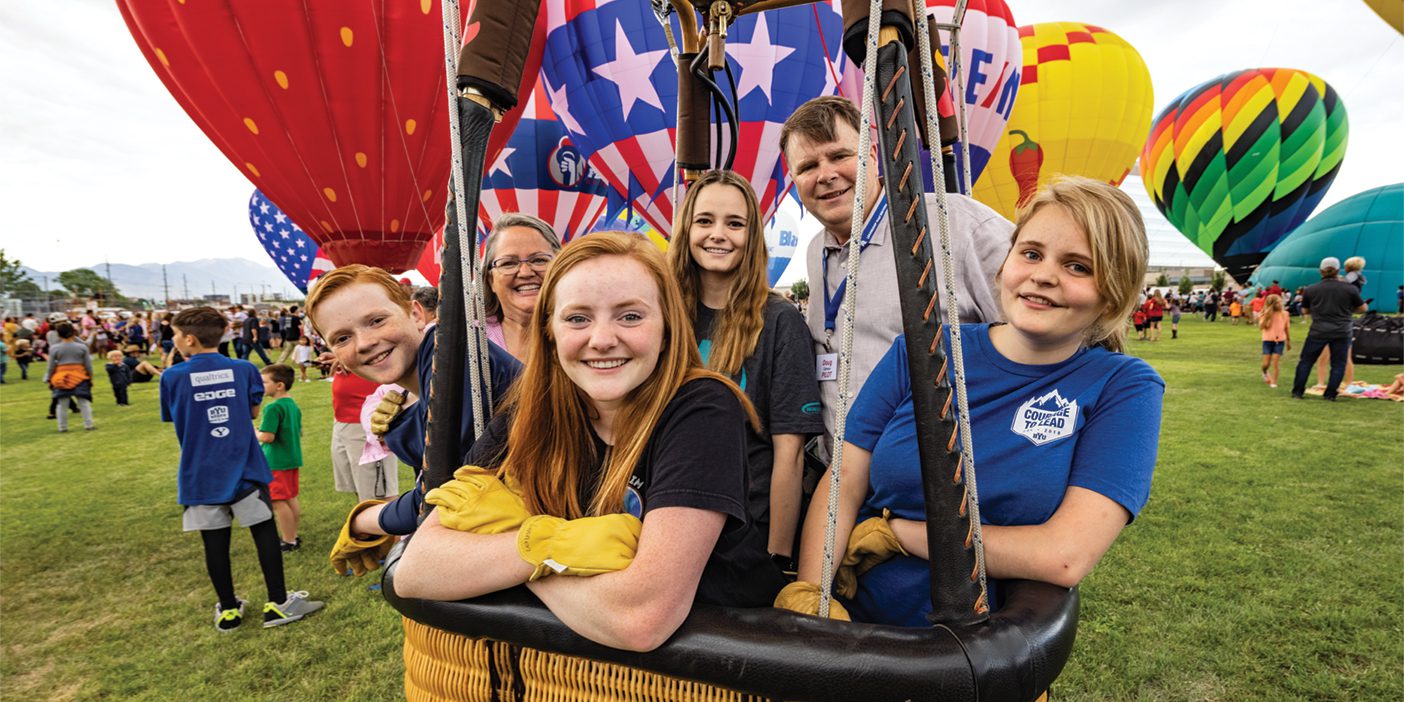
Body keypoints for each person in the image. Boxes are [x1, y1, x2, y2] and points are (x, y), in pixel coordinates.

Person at [776, 177, 1162, 626]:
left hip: (983, 650)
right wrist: (814, 596)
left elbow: (1064, 555)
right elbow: (844, 476)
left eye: (1078, 266)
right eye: (1031, 253)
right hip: (858, 623)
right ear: (1006, 262)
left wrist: (900, 533)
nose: (1043, 275)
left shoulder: (1123, 387)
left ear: (1114, 291)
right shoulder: (920, 351)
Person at [393, 232, 785, 652]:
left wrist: (517, 556)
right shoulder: (530, 409)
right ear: (550, 331)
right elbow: (417, 568)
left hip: (715, 668)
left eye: (630, 316)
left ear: (669, 326)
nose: (601, 339)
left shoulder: (703, 406)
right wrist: (544, 545)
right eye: (578, 318)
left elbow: (640, 619)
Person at [781, 95, 1010, 455]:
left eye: (840, 156)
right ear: (792, 179)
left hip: (941, 481)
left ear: (872, 153)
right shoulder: (816, 251)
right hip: (841, 481)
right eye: (808, 166)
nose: (826, 175)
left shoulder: (954, 226)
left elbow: (1037, 340)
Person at [305, 264, 521, 570]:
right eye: (341, 339)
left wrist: (366, 519)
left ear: (417, 314)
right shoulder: (407, 404)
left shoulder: (447, 351)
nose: (364, 342)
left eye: (376, 321)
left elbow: (442, 492)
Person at [669, 170, 826, 565]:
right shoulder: (663, 314)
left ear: (752, 236)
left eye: (734, 223)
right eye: (704, 221)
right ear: (686, 229)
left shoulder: (779, 320)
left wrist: (776, 556)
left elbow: (788, 454)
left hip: (741, 536)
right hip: (664, 519)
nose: (718, 234)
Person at [159, 307, 323, 629]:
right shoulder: (244, 369)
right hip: (245, 467)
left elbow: (174, 417)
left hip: (200, 472)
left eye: (176, 335)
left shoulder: (172, 376)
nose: (175, 341)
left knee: (215, 544)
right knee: (264, 534)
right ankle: (277, 603)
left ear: (189, 339)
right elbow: (252, 410)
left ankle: (229, 609)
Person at [481, 213, 562, 360]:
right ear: (490, 280)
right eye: (508, 263)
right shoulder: (470, 340)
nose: (525, 273)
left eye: (539, 260)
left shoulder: (583, 335)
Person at [1291, 257, 1366, 401]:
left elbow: (1305, 311)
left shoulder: (1311, 289)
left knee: (1306, 361)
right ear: (1338, 271)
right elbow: (1363, 308)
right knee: (1338, 364)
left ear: (1321, 271)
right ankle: (1330, 394)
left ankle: (1298, 392)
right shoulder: (1350, 289)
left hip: (1318, 330)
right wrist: (1348, 310)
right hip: (1342, 331)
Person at [330, 369, 400, 502]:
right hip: (342, 419)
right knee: (360, 487)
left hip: (365, 422)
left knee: (379, 493)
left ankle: (385, 522)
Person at [257, 364, 305, 551]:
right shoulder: (292, 404)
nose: (260, 386)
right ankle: (293, 534)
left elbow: (267, 437)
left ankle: (289, 539)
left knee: (278, 502)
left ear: (279, 386)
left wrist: (255, 433)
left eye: (264, 382)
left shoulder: (272, 408)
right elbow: (298, 432)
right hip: (291, 459)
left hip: (276, 461)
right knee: (290, 498)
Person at [45, 322, 95, 432]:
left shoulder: (54, 348)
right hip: (80, 375)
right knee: (83, 402)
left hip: (61, 376)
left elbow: (51, 366)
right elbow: (88, 365)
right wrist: (90, 377)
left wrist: (48, 378)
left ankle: (62, 427)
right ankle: (89, 425)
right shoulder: (82, 347)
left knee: (62, 404)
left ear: (58, 335)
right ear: (73, 333)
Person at [1258, 294, 1290, 388]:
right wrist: (1267, 317)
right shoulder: (1264, 313)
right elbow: (1261, 327)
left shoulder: (1285, 314)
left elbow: (1286, 328)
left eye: (1281, 302)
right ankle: (1264, 371)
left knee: (1275, 361)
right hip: (1267, 341)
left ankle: (1274, 382)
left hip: (1280, 341)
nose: (1281, 304)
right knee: (1266, 363)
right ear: (1272, 304)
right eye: (1278, 302)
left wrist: (1288, 341)